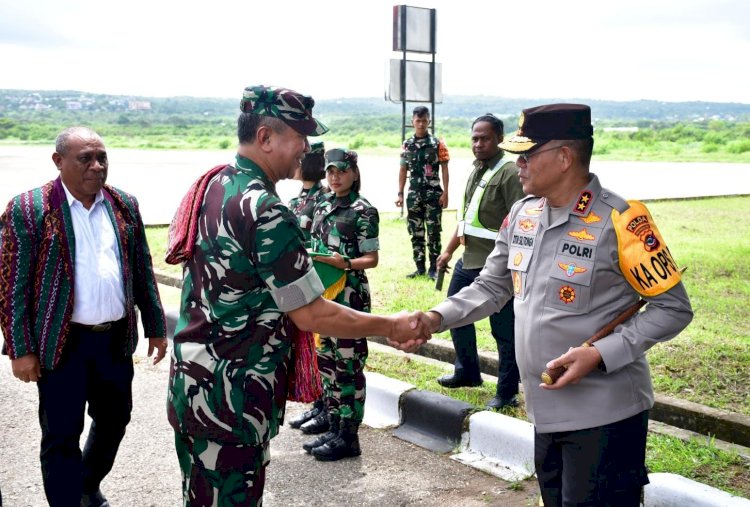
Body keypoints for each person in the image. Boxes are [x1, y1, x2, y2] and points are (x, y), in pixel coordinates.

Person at [401, 104, 693, 506]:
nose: (517, 164)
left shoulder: (622, 220)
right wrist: (435, 317)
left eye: (526, 154)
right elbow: (490, 287)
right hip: (544, 411)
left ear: (564, 157)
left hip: (604, 417)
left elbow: (673, 308)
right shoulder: (523, 214)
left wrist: (600, 354)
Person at [165, 85, 428, 506]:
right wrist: (391, 325)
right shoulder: (266, 209)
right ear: (266, 138)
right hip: (233, 398)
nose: (306, 148)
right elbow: (312, 314)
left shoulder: (216, 185)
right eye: (299, 136)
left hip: (197, 386)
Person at [0, 127, 168, 507]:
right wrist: (20, 349)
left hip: (113, 341)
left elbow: (142, 268)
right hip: (62, 344)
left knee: (115, 420)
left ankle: (85, 485)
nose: (96, 166)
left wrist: (156, 327)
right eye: (85, 159)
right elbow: (12, 286)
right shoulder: (31, 209)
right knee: (61, 434)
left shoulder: (123, 203)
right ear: (59, 162)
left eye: (102, 157)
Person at [435, 114, 526, 410]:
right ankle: (467, 372)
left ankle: (506, 391)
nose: (478, 143)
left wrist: (514, 266)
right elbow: (467, 220)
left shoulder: (509, 173)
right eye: (474, 137)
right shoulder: (477, 170)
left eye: (484, 138)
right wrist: (448, 251)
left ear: (499, 139)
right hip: (469, 258)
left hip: (498, 266)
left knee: (504, 329)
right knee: (453, 314)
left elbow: (521, 220)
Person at [301, 148, 379, 461]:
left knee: (348, 367)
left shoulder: (364, 210)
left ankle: (349, 436)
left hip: (349, 296)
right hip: (323, 295)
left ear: (354, 173)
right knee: (328, 364)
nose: (335, 177)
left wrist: (344, 262)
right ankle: (334, 427)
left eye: (341, 171)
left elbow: (371, 259)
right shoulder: (322, 204)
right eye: (330, 171)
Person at [286, 141, 330, 430]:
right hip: (297, 281)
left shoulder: (323, 200)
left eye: (302, 159)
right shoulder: (297, 199)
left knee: (325, 350)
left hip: (317, 282)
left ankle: (327, 408)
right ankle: (317, 404)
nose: (296, 163)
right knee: (311, 350)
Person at [395, 105, 450, 281]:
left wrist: (446, 192)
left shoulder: (437, 143)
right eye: (418, 121)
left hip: (433, 195)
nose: (421, 124)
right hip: (414, 195)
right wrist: (400, 194)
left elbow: (445, 170)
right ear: (412, 122)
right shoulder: (407, 144)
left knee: (434, 233)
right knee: (416, 232)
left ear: (429, 122)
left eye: (424, 120)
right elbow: (403, 170)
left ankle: (433, 269)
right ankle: (419, 268)